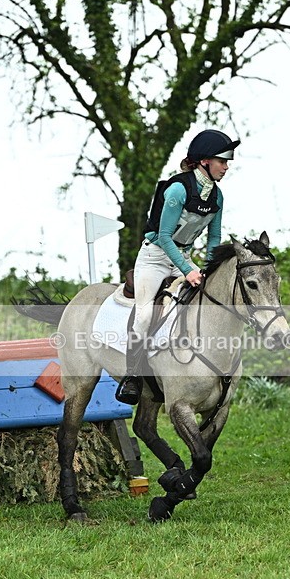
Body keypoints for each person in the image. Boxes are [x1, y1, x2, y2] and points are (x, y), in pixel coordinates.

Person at [115, 128, 240, 405]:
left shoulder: (216, 197)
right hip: (155, 257)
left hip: (183, 257)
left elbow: (215, 238)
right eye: (222, 161)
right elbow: (163, 236)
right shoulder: (177, 190)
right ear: (205, 161)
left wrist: (207, 269)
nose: (226, 166)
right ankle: (132, 376)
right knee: (146, 315)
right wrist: (188, 271)